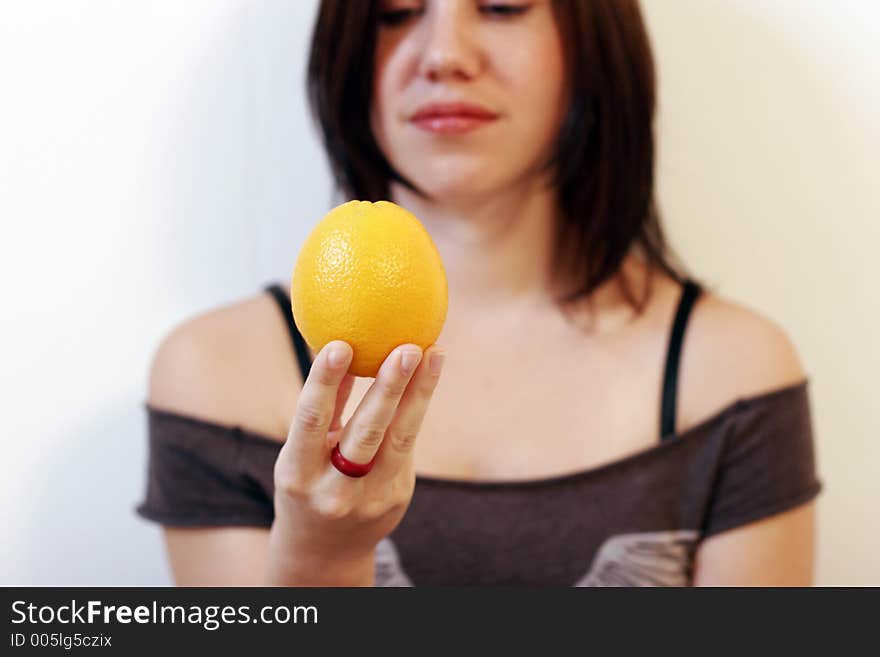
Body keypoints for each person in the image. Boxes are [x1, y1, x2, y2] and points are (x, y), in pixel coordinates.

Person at [137, 0, 821, 586]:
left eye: (502, 5)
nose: (443, 54)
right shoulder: (214, 377)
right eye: (395, 13)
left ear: (592, 38)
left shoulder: (731, 373)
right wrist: (318, 562)